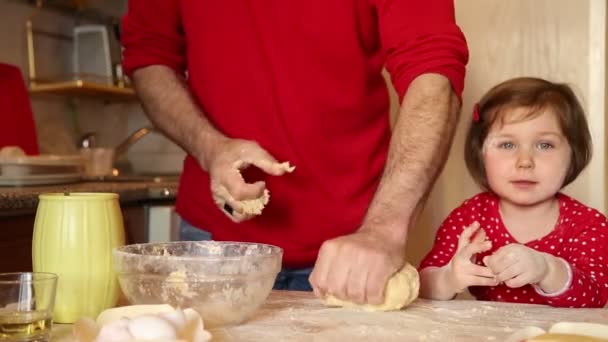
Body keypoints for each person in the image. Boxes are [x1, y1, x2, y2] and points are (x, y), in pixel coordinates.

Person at [121, 0, 468, 302]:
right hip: (213, 239)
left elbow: (431, 65)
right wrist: (210, 148)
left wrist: (383, 229)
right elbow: (149, 54)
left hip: (352, 245)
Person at [418, 77, 608, 308]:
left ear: (573, 155)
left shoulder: (588, 225)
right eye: (507, 145)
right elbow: (422, 284)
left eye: (545, 145)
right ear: (481, 154)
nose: (525, 161)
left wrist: (548, 269)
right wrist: (449, 278)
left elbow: (596, 298)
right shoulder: (471, 217)